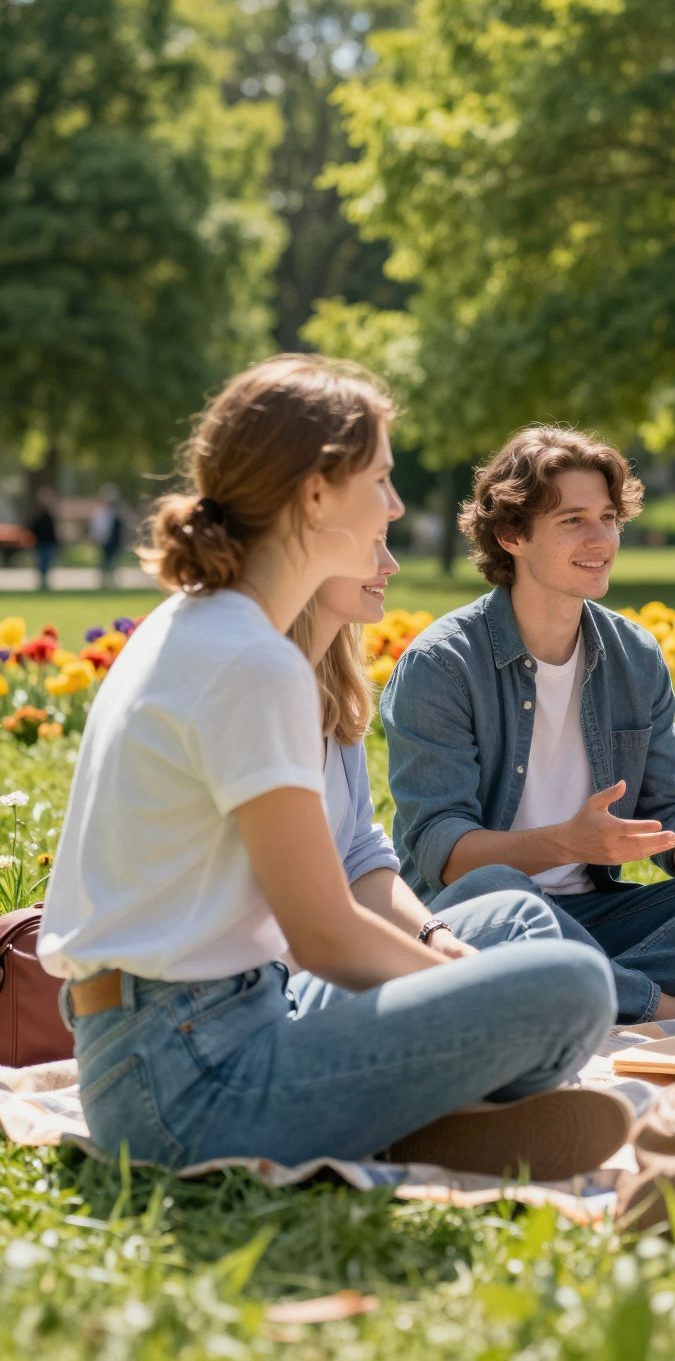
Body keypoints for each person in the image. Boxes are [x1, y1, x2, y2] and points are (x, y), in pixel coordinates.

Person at [39, 356, 625, 1176]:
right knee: (570, 986)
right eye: (380, 480)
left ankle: (399, 1111)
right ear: (316, 494)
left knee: (511, 934)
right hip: (184, 1082)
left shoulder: (207, 627)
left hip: (208, 1023)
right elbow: (323, 935)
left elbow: (336, 900)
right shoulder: (247, 658)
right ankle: (416, 1111)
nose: (393, 505)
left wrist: (447, 965)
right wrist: (456, 997)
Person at [382, 425, 675, 1026]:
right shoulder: (442, 665)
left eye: (609, 517)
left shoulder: (633, 656)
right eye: (572, 521)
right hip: (479, 917)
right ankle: (667, 1006)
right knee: (498, 892)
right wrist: (567, 841)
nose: (602, 539)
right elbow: (447, 856)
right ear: (512, 535)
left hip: (600, 917)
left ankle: (575, 987)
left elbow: (670, 817)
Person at [287, 538, 580, 1007]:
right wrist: (442, 975)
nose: (391, 564)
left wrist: (434, 937)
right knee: (548, 978)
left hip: (344, 956)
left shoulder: (331, 696)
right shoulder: (256, 695)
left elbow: (360, 854)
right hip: (282, 987)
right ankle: (639, 1002)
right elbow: (312, 922)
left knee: (526, 922)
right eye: (370, 543)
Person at [90, 486, 128, 589]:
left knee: (113, 562)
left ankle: (111, 581)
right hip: (105, 541)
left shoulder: (117, 511)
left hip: (115, 541)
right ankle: (104, 581)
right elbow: (99, 527)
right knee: (104, 561)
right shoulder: (102, 511)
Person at [29, 489, 59, 591]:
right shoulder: (38, 516)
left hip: (48, 543)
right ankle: (42, 582)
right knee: (42, 564)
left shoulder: (50, 516)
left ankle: (45, 582)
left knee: (47, 563)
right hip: (41, 543)